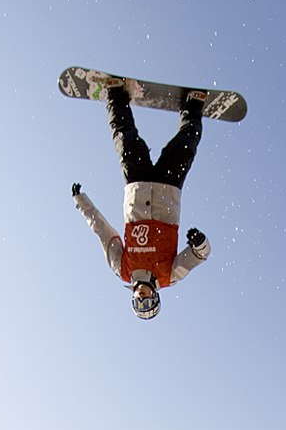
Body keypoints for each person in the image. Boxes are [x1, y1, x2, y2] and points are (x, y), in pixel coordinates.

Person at [72, 80, 211, 320]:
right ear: (155, 297)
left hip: (137, 189)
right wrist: (199, 243)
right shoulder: (170, 276)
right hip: (167, 192)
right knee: (184, 146)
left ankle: (116, 96)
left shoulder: (122, 269)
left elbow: (103, 231)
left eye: (139, 304)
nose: (142, 298)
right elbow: (198, 256)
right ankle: (193, 107)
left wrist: (81, 201)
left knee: (126, 142)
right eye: (147, 302)